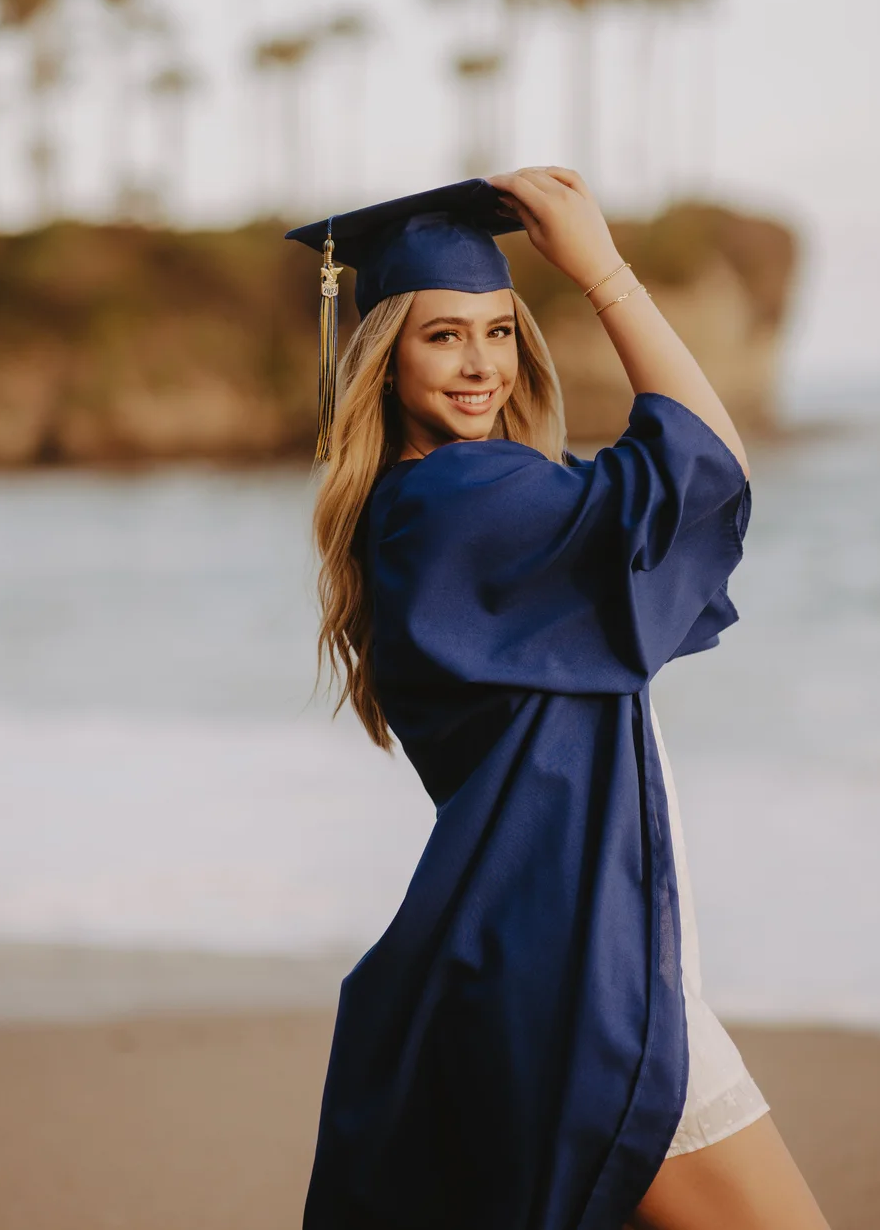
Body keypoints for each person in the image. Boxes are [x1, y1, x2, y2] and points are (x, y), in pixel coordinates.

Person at [287, 168, 831, 1230]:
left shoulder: (424, 506)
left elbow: (670, 512)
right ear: (385, 352)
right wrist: (603, 269)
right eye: (443, 335)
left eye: (499, 329)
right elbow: (706, 466)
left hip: (543, 953)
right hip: (583, 979)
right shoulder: (464, 499)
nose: (481, 362)